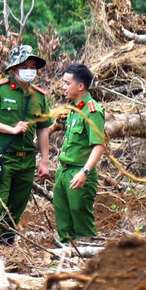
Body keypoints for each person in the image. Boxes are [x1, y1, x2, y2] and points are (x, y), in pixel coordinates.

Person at [0, 44, 53, 244]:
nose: (30, 70)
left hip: (27, 161)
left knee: (17, 206)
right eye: (26, 65)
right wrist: (12, 129)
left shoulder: (39, 96)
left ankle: (6, 244)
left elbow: (43, 129)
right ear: (15, 68)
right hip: (2, 160)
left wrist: (45, 161)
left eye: (33, 66)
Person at [53, 63, 107, 244]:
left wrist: (85, 171)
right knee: (63, 221)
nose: (63, 87)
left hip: (79, 172)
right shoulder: (74, 108)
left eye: (67, 83)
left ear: (80, 86)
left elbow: (99, 145)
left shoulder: (92, 110)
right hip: (64, 170)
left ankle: (88, 260)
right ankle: (67, 261)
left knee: (81, 221)